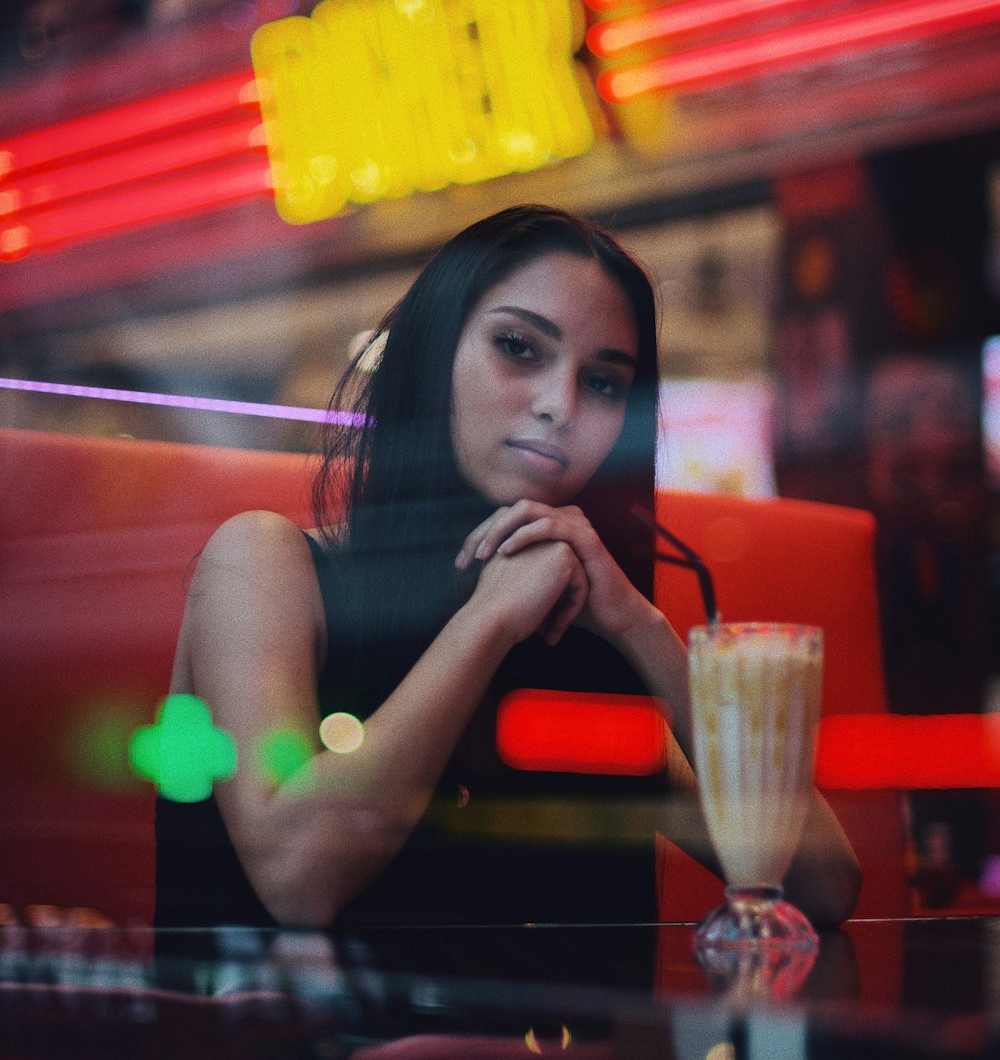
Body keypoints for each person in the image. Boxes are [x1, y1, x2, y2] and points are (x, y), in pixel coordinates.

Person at [155, 204, 861, 935]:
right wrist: (485, 621)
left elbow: (823, 884)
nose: (561, 405)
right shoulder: (265, 560)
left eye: (606, 383)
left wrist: (637, 625)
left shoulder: (574, 627)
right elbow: (298, 877)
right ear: (433, 355)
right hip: (287, 1044)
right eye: (519, 348)